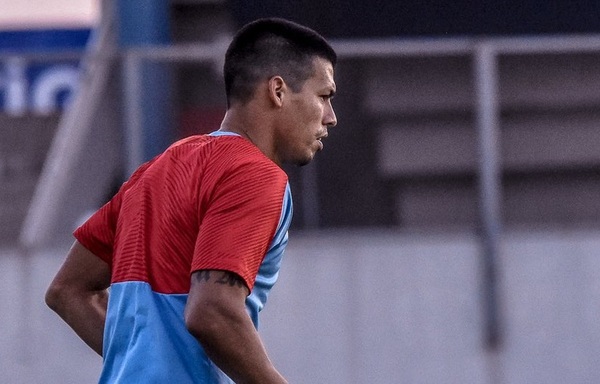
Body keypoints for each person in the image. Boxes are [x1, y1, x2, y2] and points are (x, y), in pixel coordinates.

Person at [44, 17, 337, 384]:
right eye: (324, 96)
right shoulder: (257, 176)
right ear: (278, 91)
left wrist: (145, 364)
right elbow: (212, 311)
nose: (331, 117)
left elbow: (67, 290)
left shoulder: (154, 171)